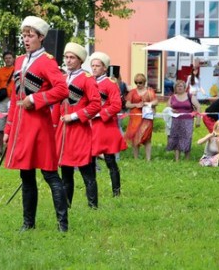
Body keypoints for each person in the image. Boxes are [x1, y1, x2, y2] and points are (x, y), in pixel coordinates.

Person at [3, 15, 70, 232]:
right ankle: (27, 223)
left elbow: (62, 89)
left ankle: (62, 224)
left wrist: (35, 99)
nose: (26, 39)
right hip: (21, 127)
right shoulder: (21, 61)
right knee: (26, 173)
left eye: (30, 35)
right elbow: (15, 97)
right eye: (24, 35)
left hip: (39, 126)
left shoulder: (47, 61)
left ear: (41, 37)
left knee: (49, 173)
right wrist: (8, 127)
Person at [53, 42, 101, 209]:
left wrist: (74, 116)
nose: (68, 60)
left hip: (80, 131)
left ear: (80, 60)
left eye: (72, 57)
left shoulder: (87, 79)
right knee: (65, 172)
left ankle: (93, 206)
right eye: (66, 57)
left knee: (86, 172)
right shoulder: (62, 78)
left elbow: (95, 105)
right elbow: (57, 105)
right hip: (63, 132)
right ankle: (67, 206)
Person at [89, 51, 127, 196]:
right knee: (89, 162)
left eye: (97, 66)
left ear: (105, 68)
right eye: (93, 65)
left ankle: (116, 192)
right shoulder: (89, 82)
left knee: (110, 161)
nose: (94, 68)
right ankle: (92, 192)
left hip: (105, 126)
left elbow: (116, 105)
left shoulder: (110, 84)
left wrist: (98, 114)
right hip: (91, 126)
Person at [125, 73, 158, 161]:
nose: (138, 84)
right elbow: (127, 104)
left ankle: (148, 159)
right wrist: (136, 104)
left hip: (147, 117)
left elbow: (156, 102)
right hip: (135, 118)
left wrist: (148, 104)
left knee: (147, 138)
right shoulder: (132, 92)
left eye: (140, 82)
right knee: (135, 138)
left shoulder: (150, 91)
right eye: (136, 82)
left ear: (144, 82)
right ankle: (136, 159)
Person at [166, 80, 199, 161]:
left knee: (187, 138)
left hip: (188, 120)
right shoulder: (172, 97)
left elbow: (198, 106)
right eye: (178, 86)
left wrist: (198, 120)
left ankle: (187, 159)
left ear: (185, 88)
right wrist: (171, 110)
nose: (179, 87)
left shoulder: (190, 96)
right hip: (175, 120)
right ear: (175, 88)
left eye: (181, 86)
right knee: (176, 138)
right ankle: (177, 159)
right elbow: (167, 108)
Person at [0, 51, 15, 153]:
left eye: (10, 58)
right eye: (6, 58)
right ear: (4, 59)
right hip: (1, 100)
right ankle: (0, 148)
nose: (8, 60)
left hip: (13, 100)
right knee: (0, 125)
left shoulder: (17, 70)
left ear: (13, 59)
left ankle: (10, 148)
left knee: (12, 124)